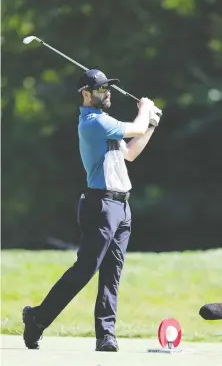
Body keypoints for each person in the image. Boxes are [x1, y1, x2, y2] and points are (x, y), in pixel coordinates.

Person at [22, 69, 161, 351]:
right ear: (85, 94)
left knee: (113, 272)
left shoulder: (105, 124)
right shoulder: (94, 122)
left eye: (108, 89)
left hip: (121, 206)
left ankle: (106, 335)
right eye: (100, 90)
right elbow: (133, 128)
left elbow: (131, 152)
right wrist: (145, 111)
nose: (106, 93)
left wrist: (151, 125)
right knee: (86, 268)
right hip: (101, 204)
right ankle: (37, 318)